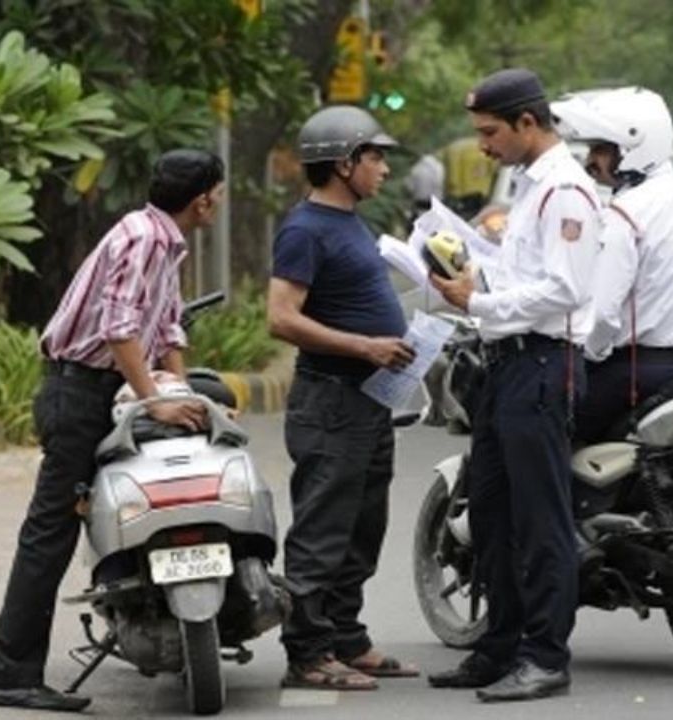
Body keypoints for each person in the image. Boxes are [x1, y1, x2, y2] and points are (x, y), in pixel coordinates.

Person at [0, 150, 223, 713]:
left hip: (99, 389)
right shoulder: (143, 238)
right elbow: (119, 329)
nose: (220, 200)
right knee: (50, 531)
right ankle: (10, 673)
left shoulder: (165, 240)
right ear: (204, 197)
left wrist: (177, 392)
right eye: (219, 191)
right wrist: (154, 402)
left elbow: (165, 325)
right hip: (79, 392)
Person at [427, 68, 599, 703]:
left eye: (491, 131)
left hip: (542, 364)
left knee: (540, 517)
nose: (483, 146)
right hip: (505, 365)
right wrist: (472, 271)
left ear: (529, 122)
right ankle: (497, 647)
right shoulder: (529, 188)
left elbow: (566, 289)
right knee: (492, 513)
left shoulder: (567, 192)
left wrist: (480, 302)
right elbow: (519, 270)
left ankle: (546, 655)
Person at [267, 105, 420, 691]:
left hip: (368, 401)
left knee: (363, 525)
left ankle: (346, 638)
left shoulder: (351, 222)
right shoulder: (305, 229)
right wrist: (365, 347)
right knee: (323, 528)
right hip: (331, 399)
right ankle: (307, 652)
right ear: (342, 163)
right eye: (374, 157)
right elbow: (281, 319)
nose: (383, 168)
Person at [553, 87, 673, 444]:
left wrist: (584, 355)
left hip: (640, 372)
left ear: (633, 148)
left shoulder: (627, 211)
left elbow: (604, 314)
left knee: (548, 433)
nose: (591, 160)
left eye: (601, 149)